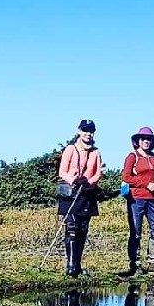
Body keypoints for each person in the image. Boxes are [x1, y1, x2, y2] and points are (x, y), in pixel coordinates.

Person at [57, 119, 102, 277]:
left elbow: (98, 173)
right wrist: (73, 180)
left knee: (83, 229)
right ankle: (70, 264)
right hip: (71, 194)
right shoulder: (70, 149)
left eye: (91, 131)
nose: (88, 134)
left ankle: (77, 264)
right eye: (85, 130)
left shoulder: (96, 152)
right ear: (79, 131)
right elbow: (62, 171)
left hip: (87, 194)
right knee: (71, 229)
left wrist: (89, 182)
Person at [122, 126, 154, 276]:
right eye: (144, 139)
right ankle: (135, 264)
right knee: (136, 232)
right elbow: (126, 177)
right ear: (138, 141)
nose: (146, 141)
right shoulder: (132, 157)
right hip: (136, 199)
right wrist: (146, 183)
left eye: (149, 139)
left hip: (153, 199)